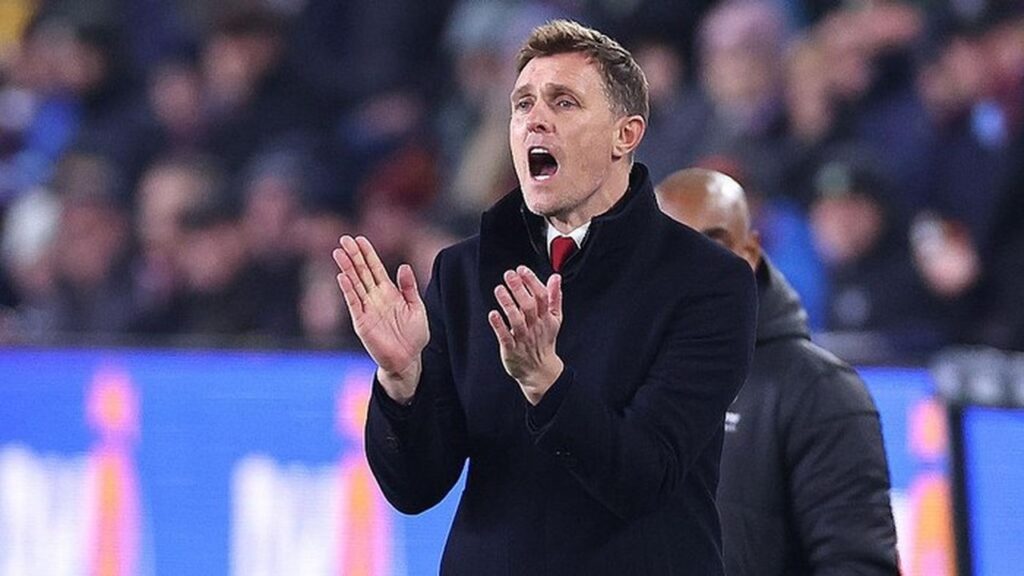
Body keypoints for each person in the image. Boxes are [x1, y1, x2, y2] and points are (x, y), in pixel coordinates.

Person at [332, 20, 758, 575]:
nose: (535, 118)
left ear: (625, 135)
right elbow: (414, 489)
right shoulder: (464, 273)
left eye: (564, 102)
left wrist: (546, 383)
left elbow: (646, 476)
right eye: (522, 103)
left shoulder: (708, 281)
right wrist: (402, 380)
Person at [656, 168, 900, 576]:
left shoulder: (821, 391)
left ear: (750, 253)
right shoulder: (621, 377)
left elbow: (858, 565)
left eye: (713, 246)